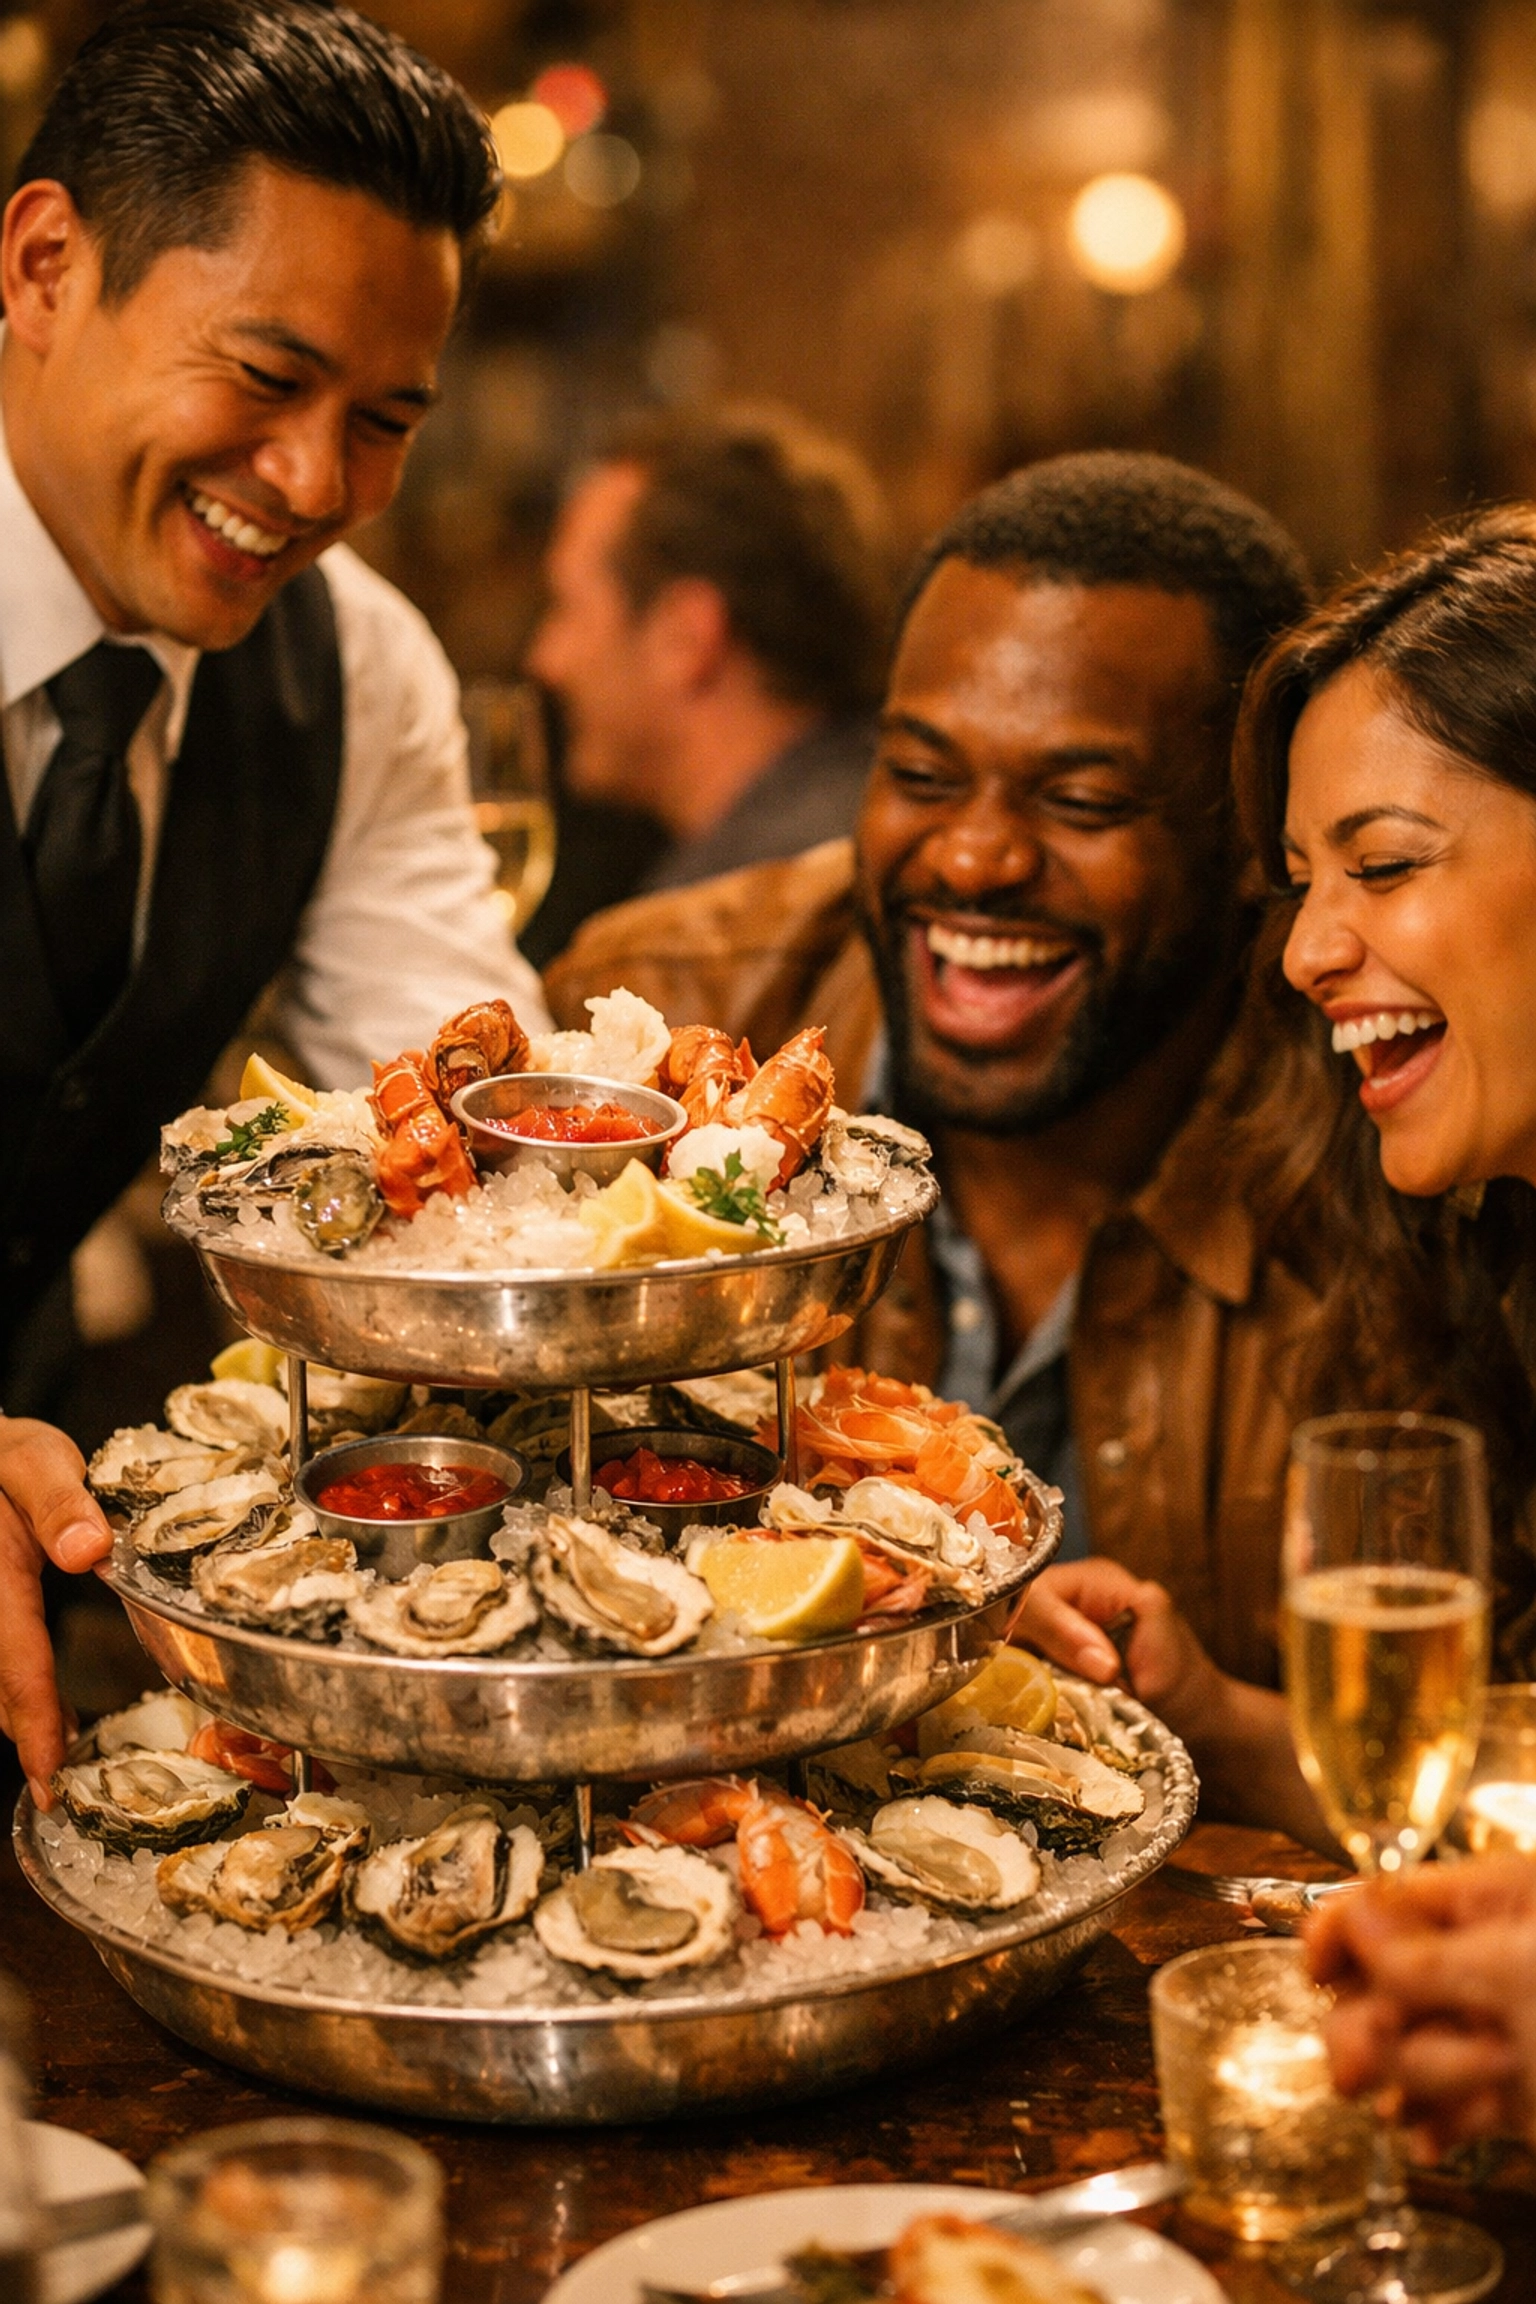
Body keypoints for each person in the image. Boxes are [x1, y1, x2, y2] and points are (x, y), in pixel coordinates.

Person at [548, 449, 1335, 1839]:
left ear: (1247, 846)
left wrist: (1223, 1726)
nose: (972, 859)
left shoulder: (1388, 1150)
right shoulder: (662, 1015)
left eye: (1080, 803)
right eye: (919, 774)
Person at [0, 0, 552, 1803]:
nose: (317, 485)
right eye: (262, 376)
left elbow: (477, 1168)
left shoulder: (357, 671)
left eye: (384, 420)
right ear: (44, 267)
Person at [1231, 507, 1536, 2145]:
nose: (1305, 947)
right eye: (1299, 880)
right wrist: (1202, 1719)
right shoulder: (1490, 1262)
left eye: (1388, 863)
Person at [526, 406, 891, 893]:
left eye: (567, 608)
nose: (545, 660)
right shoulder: (874, 824)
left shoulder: (732, 919)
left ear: (686, 638)